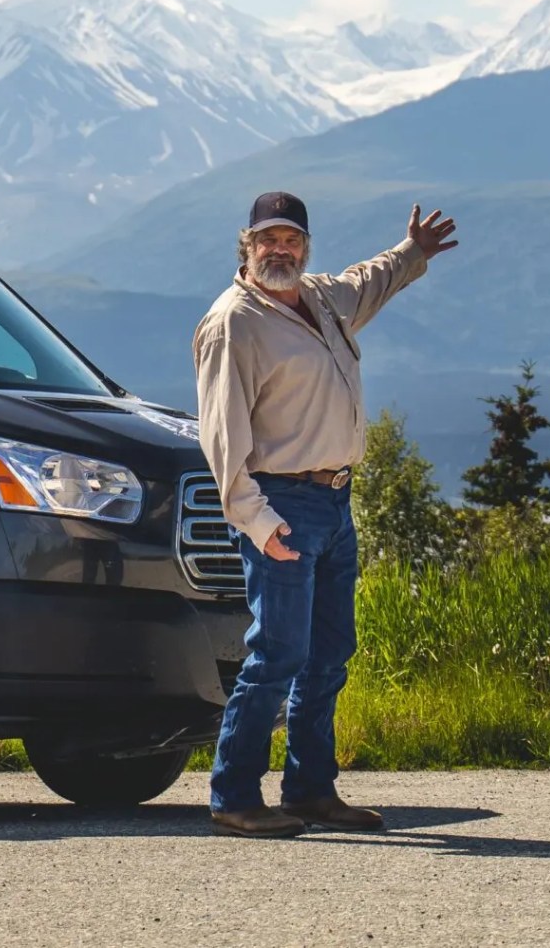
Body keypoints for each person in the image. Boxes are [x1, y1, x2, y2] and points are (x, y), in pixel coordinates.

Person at [193, 189, 458, 838]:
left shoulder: (321, 298)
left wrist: (413, 252)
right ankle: (233, 794)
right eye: (267, 240)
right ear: (246, 246)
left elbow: (371, 281)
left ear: (304, 247)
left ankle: (311, 790)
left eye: (289, 239)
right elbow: (220, 435)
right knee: (277, 654)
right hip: (281, 506)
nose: (278, 249)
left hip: (336, 503)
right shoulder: (234, 323)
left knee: (330, 653)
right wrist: (256, 520)